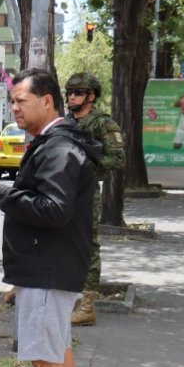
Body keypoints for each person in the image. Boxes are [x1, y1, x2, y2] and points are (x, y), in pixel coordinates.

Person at [0, 69, 102, 367]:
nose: (14, 107)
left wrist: (3, 194)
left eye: (21, 100)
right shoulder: (57, 142)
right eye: (12, 101)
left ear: (47, 101)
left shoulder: (58, 147)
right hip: (51, 267)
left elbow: (53, 209)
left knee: (46, 360)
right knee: (57, 353)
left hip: (48, 270)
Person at [64, 72, 125, 327]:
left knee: (89, 246)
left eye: (78, 92)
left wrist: (90, 164)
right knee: (65, 245)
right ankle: (69, 299)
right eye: (69, 92)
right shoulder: (65, 121)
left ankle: (87, 305)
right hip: (65, 190)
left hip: (87, 192)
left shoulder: (102, 123)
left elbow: (118, 159)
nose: (72, 97)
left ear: (91, 96)